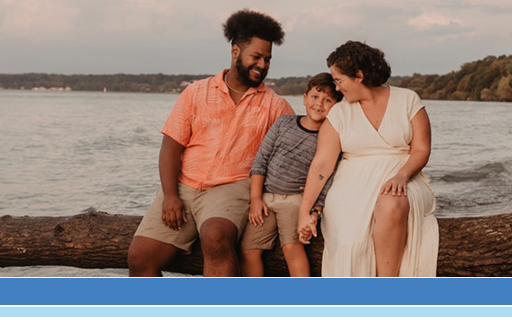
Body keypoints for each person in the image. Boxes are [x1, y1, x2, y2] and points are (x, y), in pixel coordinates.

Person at [127, 9, 294, 277]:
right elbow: (171, 146)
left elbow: (297, 152)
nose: (263, 64)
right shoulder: (196, 92)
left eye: (268, 59)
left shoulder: (276, 106)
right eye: (257, 56)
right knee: (140, 256)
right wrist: (170, 195)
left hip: (232, 187)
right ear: (236, 51)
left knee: (215, 236)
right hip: (183, 185)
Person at [297, 41, 439, 277]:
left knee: (392, 201)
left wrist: (402, 176)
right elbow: (322, 165)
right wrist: (305, 211)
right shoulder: (339, 113)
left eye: (339, 80)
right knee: (350, 236)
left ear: (359, 76)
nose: (337, 88)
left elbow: (421, 150)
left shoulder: (407, 100)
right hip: (352, 185)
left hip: (404, 175)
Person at [240, 73, 342, 277]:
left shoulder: (330, 138)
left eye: (328, 100)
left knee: (291, 248)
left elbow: (328, 179)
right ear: (304, 98)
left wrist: (316, 211)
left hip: (297, 201)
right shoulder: (283, 124)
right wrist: (255, 198)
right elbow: (261, 160)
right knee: (248, 249)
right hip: (266, 198)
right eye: (315, 97)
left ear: (336, 107)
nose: (319, 104)